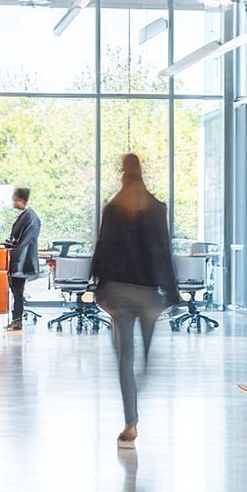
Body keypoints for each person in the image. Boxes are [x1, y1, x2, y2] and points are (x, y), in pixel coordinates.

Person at [90, 154, 179, 449]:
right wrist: (172, 292)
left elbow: (102, 250)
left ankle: (131, 424)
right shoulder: (157, 208)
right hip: (148, 294)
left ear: (121, 173)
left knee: (124, 359)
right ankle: (141, 383)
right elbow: (163, 252)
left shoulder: (112, 209)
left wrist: (96, 287)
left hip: (118, 292)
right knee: (145, 359)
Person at [4, 187, 41, 332]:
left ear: (21, 200)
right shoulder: (26, 216)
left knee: (18, 291)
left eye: (14, 199)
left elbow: (24, 242)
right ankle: (16, 319)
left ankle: (17, 320)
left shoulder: (31, 218)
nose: (13, 202)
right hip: (19, 258)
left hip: (22, 260)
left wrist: (12, 248)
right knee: (16, 291)